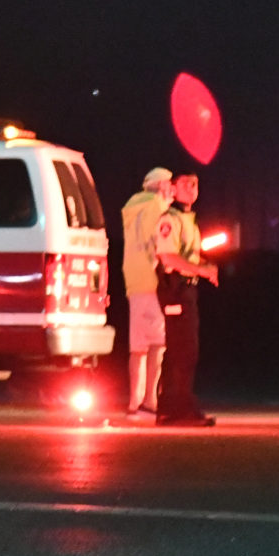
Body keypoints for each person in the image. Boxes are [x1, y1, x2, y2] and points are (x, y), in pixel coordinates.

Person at [154, 171, 219, 426]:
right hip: (174, 289)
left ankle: (173, 409)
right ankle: (179, 410)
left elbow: (188, 256)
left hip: (187, 289)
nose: (192, 188)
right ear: (173, 188)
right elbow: (168, 258)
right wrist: (201, 270)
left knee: (185, 350)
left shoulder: (189, 220)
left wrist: (205, 266)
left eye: (195, 184)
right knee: (182, 350)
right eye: (186, 184)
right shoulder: (169, 219)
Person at [115, 167, 177, 420]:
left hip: (133, 280)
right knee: (157, 345)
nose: (171, 190)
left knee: (137, 348)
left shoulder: (133, 206)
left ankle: (134, 403)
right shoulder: (155, 207)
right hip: (151, 282)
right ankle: (150, 402)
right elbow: (159, 243)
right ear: (160, 186)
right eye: (169, 185)